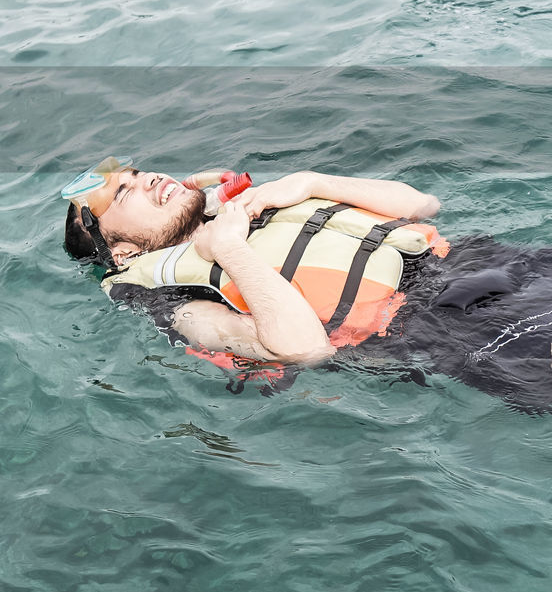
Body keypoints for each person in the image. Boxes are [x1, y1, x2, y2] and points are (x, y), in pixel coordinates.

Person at [63, 164, 552, 413]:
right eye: (124, 192)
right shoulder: (173, 301)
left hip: (491, 265)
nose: (146, 178)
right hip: (447, 329)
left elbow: (422, 204)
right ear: (122, 252)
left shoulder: (251, 205)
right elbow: (305, 351)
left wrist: (310, 181)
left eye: (134, 173)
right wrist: (232, 251)